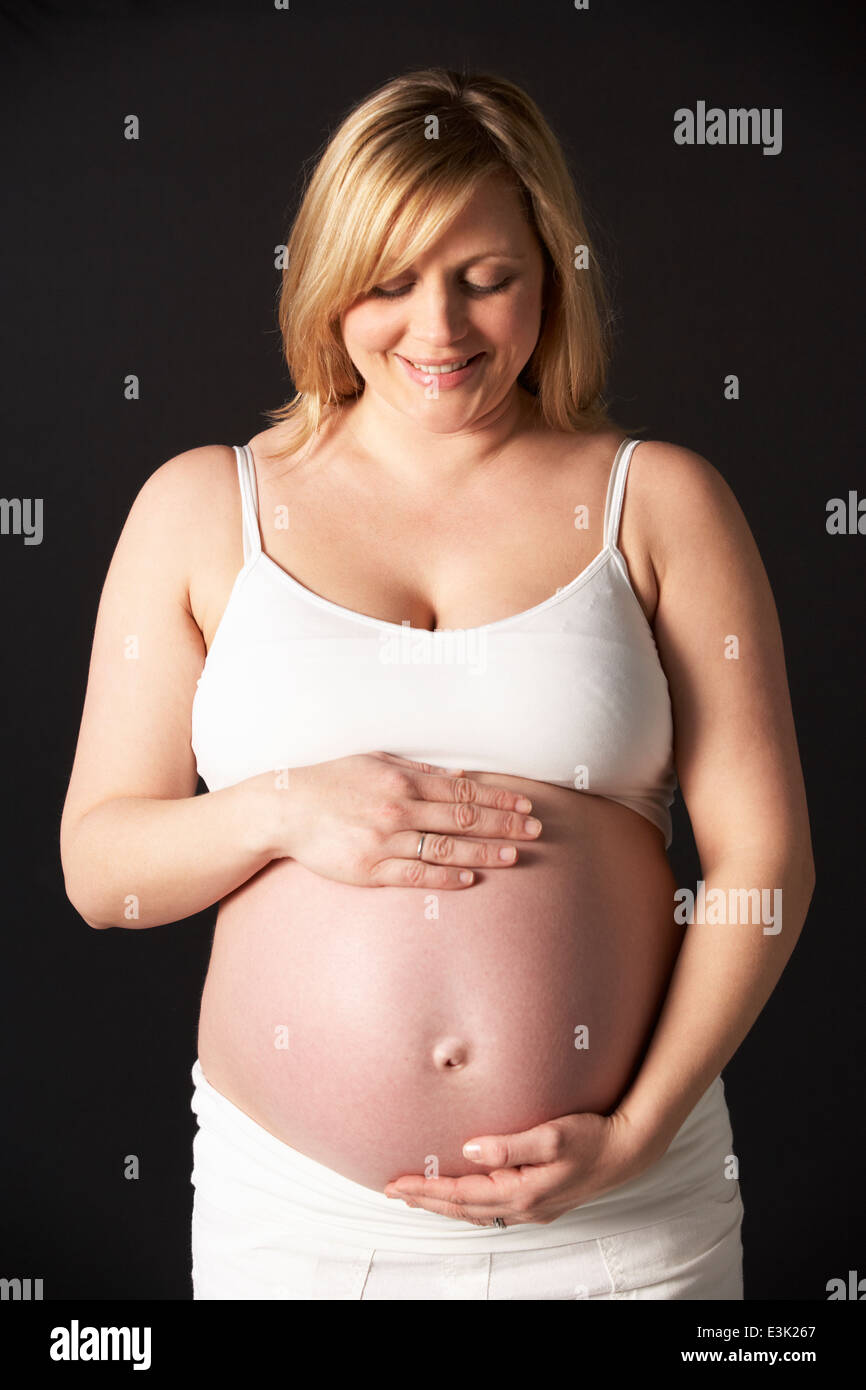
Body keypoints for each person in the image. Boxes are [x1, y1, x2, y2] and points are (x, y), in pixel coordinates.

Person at [59, 67, 815, 1300]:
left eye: (486, 276)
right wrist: (284, 808)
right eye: (392, 280)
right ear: (325, 281)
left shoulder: (660, 501)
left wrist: (630, 1135)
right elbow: (101, 870)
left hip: (621, 1216)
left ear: (548, 273)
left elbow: (762, 867)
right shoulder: (202, 507)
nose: (440, 328)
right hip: (295, 1221)